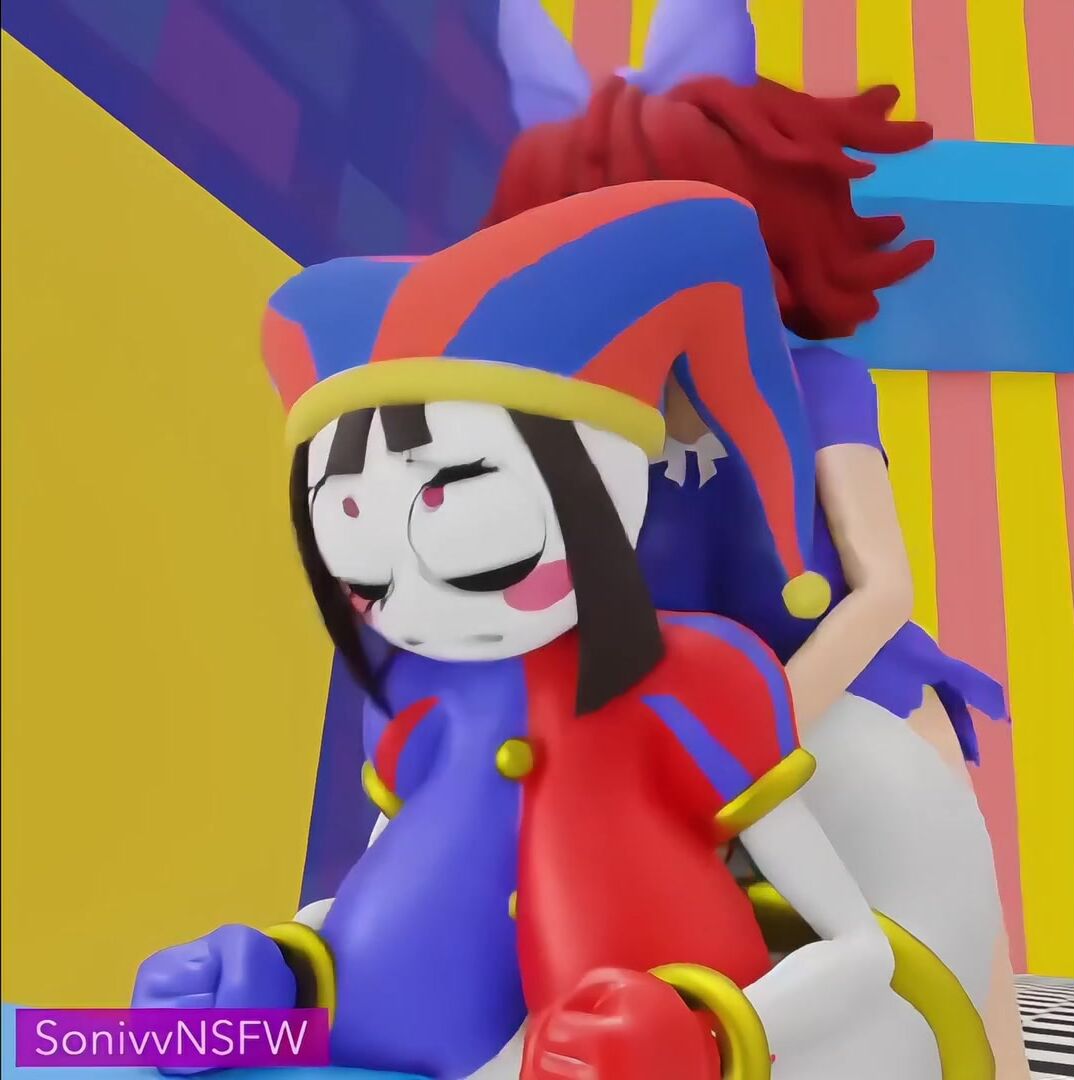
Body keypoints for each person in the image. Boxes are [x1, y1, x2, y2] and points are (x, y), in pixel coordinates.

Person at [132, 185, 989, 1079]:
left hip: (693, 957)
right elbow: (380, 890)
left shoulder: (697, 684)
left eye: (456, 505)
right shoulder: (419, 690)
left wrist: (711, 1035)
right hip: (367, 1048)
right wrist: (267, 972)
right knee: (79, 1043)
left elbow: (860, 950)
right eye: (360, 549)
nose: (410, 587)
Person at [490, 2, 1028, 1077]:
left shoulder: (817, 386)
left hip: (839, 693)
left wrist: (753, 725)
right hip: (653, 720)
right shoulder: (578, 418)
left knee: (955, 929)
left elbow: (881, 588)